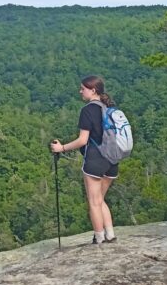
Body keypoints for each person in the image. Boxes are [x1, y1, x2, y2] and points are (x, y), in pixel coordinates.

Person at [49, 75, 118, 245]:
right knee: (100, 199)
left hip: (95, 161)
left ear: (93, 90)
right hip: (112, 160)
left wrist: (61, 148)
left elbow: (82, 140)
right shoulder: (109, 108)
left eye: (83, 88)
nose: (80, 91)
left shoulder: (87, 111)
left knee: (94, 202)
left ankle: (99, 238)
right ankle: (110, 234)